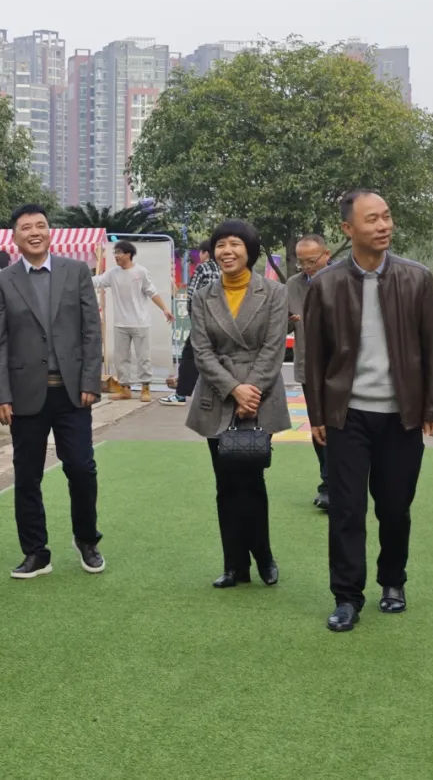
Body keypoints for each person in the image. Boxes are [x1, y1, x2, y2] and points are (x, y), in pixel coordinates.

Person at [303, 190, 433, 633]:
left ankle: (393, 581)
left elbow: (432, 348)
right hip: (347, 415)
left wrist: (432, 405)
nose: (383, 226)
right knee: (347, 510)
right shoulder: (325, 284)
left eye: (386, 216)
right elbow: (314, 357)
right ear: (348, 229)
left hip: (401, 415)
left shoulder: (417, 278)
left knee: (395, 507)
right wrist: (317, 414)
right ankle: (347, 597)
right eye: (372, 219)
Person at [0, 204, 105, 579]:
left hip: (72, 393)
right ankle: (36, 552)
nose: (34, 232)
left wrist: (91, 381)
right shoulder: (2, 282)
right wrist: (0, 395)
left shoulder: (76, 271)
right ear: (15, 237)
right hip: (25, 394)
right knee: (27, 476)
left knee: (81, 468)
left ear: (50, 231)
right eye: (26, 227)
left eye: (40, 225)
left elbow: (91, 330)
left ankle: (87, 539)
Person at [185, 220, 290, 589]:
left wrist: (250, 392)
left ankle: (263, 557)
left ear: (250, 250)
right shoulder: (203, 295)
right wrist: (233, 389)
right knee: (226, 484)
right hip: (217, 395)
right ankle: (234, 565)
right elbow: (201, 351)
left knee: (252, 480)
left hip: (260, 397)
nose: (226, 251)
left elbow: (273, 349)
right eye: (220, 245)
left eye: (235, 244)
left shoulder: (274, 292)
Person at [92, 240, 175, 402]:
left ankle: (145, 389)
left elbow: (152, 292)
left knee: (143, 357)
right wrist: (80, 276)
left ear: (128, 254)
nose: (116, 256)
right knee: (121, 358)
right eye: (115, 253)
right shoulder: (113, 273)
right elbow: (98, 281)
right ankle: (125, 389)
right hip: (120, 323)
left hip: (140, 323)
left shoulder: (141, 272)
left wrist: (165, 309)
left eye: (119, 253)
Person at [288, 234, 332, 510]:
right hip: (309, 369)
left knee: (343, 427)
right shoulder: (293, 285)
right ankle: (328, 484)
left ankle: (339, 484)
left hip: (343, 369)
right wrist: (287, 320)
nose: (307, 267)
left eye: (312, 261)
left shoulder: (344, 279)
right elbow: (280, 328)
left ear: (327, 255)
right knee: (319, 426)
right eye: (301, 262)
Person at [158, 242, 220, 406]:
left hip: (203, 321)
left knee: (189, 356)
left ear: (205, 253)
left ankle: (180, 395)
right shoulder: (222, 269)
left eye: (201, 253)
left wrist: (193, 316)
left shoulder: (203, 268)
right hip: (220, 322)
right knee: (215, 356)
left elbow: (192, 295)